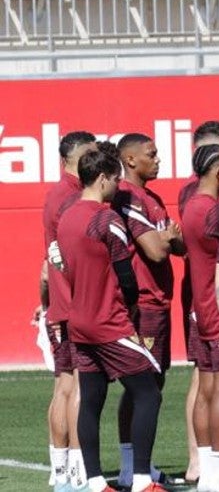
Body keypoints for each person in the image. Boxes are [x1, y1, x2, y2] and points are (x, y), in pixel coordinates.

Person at [60, 145, 166, 492]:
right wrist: (131, 308)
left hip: (79, 321)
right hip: (108, 321)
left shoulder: (68, 217)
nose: (117, 187)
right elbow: (127, 277)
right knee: (148, 392)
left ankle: (93, 482)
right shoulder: (106, 219)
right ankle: (140, 481)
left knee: (90, 399)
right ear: (104, 178)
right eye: (115, 180)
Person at [114, 133, 185, 489]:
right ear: (129, 159)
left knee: (153, 383)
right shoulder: (128, 197)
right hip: (142, 302)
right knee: (143, 388)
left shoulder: (153, 197)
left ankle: (141, 466)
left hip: (159, 301)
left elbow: (179, 244)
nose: (158, 160)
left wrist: (170, 239)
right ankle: (132, 469)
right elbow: (157, 251)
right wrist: (168, 239)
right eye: (151, 154)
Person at [181, 145, 219, 492]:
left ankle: (208, 469)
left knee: (206, 390)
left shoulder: (192, 206)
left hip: (201, 310)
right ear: (218, 172)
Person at [41, 131, 98, 492]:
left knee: (64, 385)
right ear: (70, 160)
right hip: (73, 304)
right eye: (89, 157)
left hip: (62, 303)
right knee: (77, 386)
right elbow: (64, 259)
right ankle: (76, 470)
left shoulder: (58, 195)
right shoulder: (71, 198)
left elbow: (49, 263)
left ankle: (61, 469)